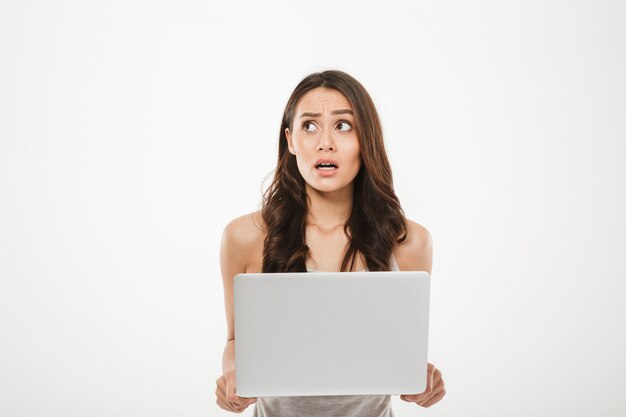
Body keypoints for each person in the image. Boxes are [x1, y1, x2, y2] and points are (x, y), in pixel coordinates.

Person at [215, 70, 446, 416]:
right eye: (309, 126)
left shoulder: (410, 242)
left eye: (343, 126)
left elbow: (402, 356)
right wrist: (233, 378)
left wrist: (424, 379)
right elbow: (235, 343)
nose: (325, 142)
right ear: (290, 141)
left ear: (365, 139)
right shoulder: (245, 237)